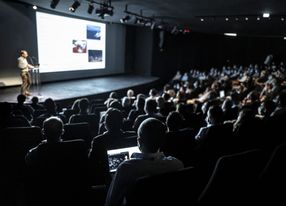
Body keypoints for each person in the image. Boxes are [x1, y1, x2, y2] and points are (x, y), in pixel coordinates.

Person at [105, 118, 184, 206]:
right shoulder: (177, 165)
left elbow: (110, 203)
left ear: (138, 142)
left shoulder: (126, 169)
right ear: (162, 142)